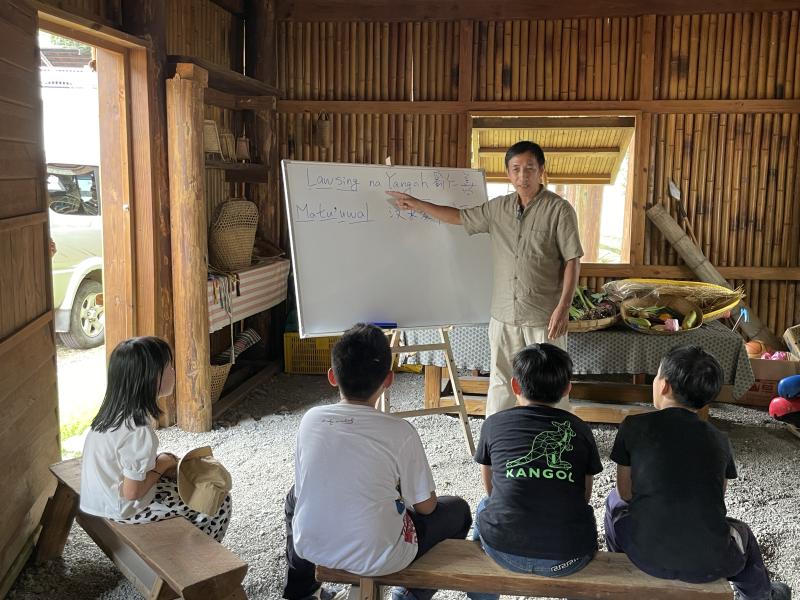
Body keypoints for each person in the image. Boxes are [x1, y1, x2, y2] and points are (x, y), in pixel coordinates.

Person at [387, 141, 583, 415]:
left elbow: (573, 259)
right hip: (503, 314)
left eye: (529, 168)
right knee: (502, 381)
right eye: (516, 169)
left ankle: (555, 435)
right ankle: (497, 435)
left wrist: (563, 308)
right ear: (508, 173)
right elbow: (458, 217)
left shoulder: (559, 210)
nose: (523, 175)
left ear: (541, 170)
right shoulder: (497, 209)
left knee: (552, 382)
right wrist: (418, 204)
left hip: (543, 316)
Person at [283, 323, 472, 600]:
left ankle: (300, 592)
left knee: (293, 498)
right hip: (382, 556)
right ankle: (408, 596)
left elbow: (305, 489)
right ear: (389, 380)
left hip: (311, 548)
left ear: (332, 376)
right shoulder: (400, 431)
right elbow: (427, 507)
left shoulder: (310, 420)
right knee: (459, 511)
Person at [605, 346, 791, 600]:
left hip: (644, 557)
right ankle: (761, 595)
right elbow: (717, 497)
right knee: (744, 534)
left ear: (664, 386)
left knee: (613, 502)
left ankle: (620, 566)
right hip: (711, 562)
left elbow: (626, 493)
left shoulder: (633, 426)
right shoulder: (719, 439)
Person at [467, 343, 602, 600]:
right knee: (580, 511)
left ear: (515, 386)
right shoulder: (580, 428)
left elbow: (491, 488)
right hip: (568, 558)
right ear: (567, 389)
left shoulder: (494, 424)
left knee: (486, 504)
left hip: (502, 552)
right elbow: (584, 495)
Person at [80, 336, 231, 542]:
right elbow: (132, 493)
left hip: (96, 499)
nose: (173, 371)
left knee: (181, 487)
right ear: (152, 379)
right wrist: (162, 464)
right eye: (168, 367)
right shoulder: (138, 430)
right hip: (122, 510)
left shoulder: (111, 415)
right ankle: (201, 554)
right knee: (218, 501)